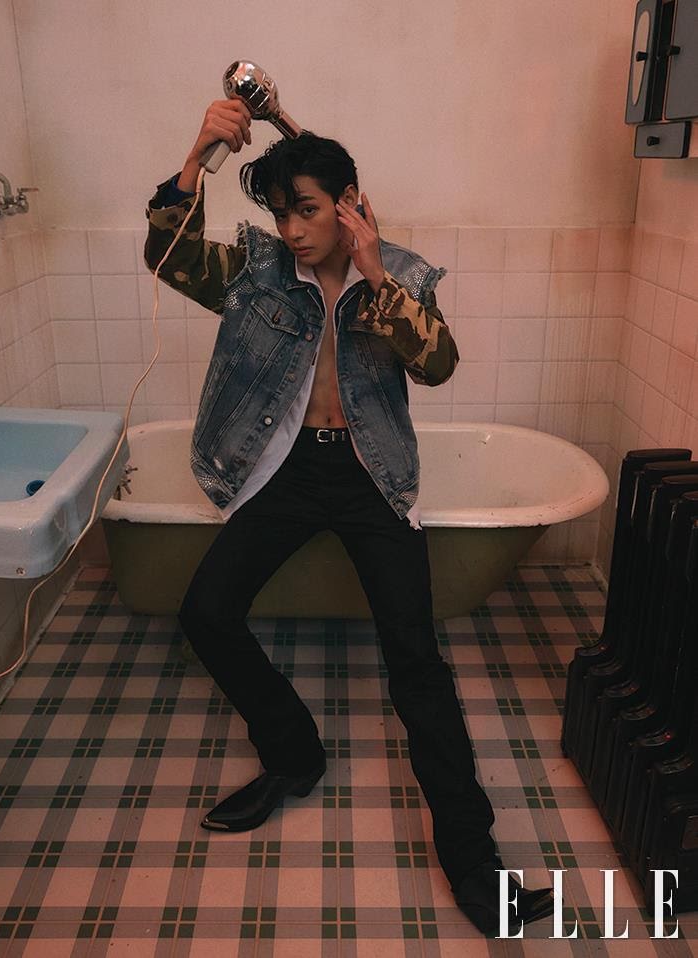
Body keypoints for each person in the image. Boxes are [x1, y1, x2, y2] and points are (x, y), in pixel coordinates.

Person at [144, 98, 555, 935]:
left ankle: (475, 865)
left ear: (348, 205)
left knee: (416, 662)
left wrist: (375, 275)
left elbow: (438, 364)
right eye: (281, 213)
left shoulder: (397, 275)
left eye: (307, 210)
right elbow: (168, 255)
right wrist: (196, 156)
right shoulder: (256, 270)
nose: (292, 230)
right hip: (288, 469)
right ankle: (293, 755)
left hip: (371, 475)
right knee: (207, 612)